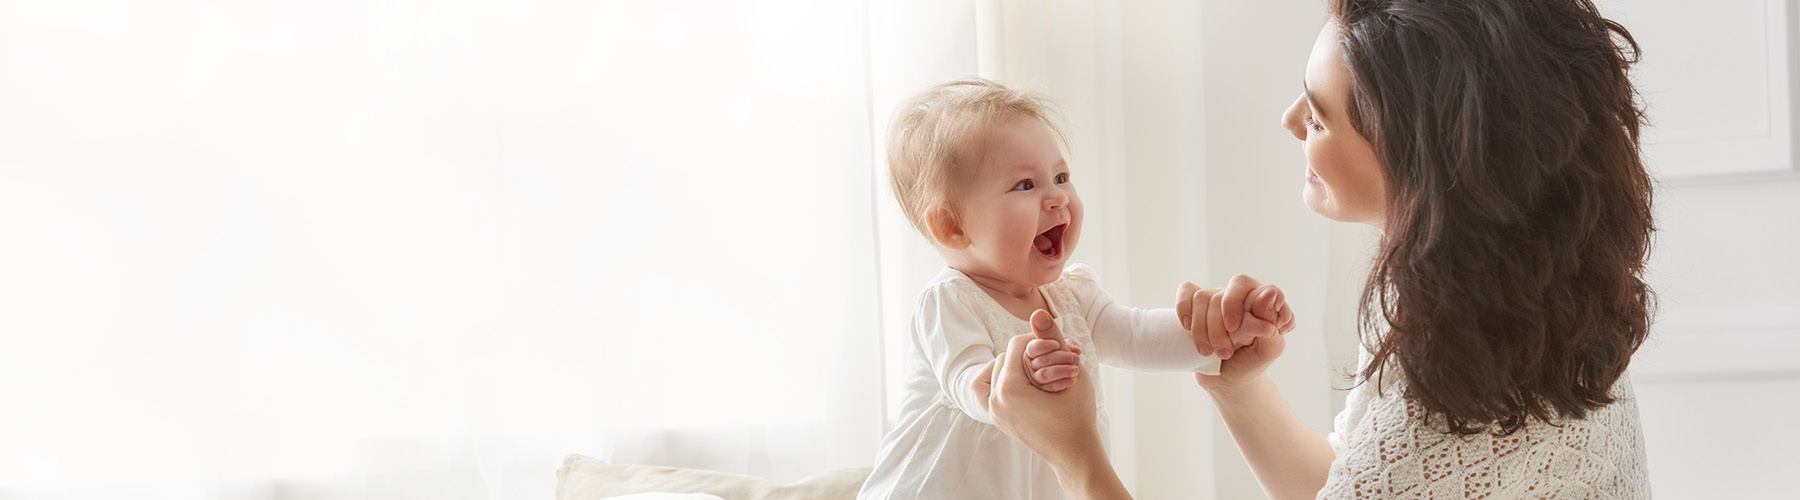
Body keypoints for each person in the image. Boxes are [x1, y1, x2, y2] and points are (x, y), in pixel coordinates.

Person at [988, 0, 1657, 498]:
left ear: (1418, 155)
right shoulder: (1520, 304)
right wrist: (1239, 387)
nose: (1288, 122)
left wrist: (1075, 455)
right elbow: (1361, 482)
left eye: (1316, 115)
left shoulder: (1471, 386)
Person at [856, 79, 1295, 500]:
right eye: (1025, 185)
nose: (1057, 198)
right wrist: (1020, 371)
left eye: (1061, 177)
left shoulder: (1073, 296)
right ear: (952, 227)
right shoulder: (950, 299)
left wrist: (1224, 331)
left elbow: (1138, 336)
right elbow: (968, 384)